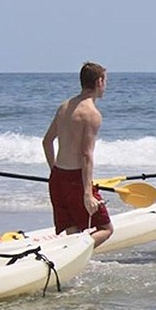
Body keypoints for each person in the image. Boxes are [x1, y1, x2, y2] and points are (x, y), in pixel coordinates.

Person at [42, 61, 113, 248]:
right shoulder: (92, 114)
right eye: (105, 81)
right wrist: (88, 194)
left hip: (58, 177)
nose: (106, 85)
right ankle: (77, 254)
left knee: (74, 231)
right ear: (99, 82)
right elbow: (86, 155)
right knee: (106, 228)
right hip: (76, 180)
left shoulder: (64, 106)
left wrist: (54, 173)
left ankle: (74, 262)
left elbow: (47, 141)